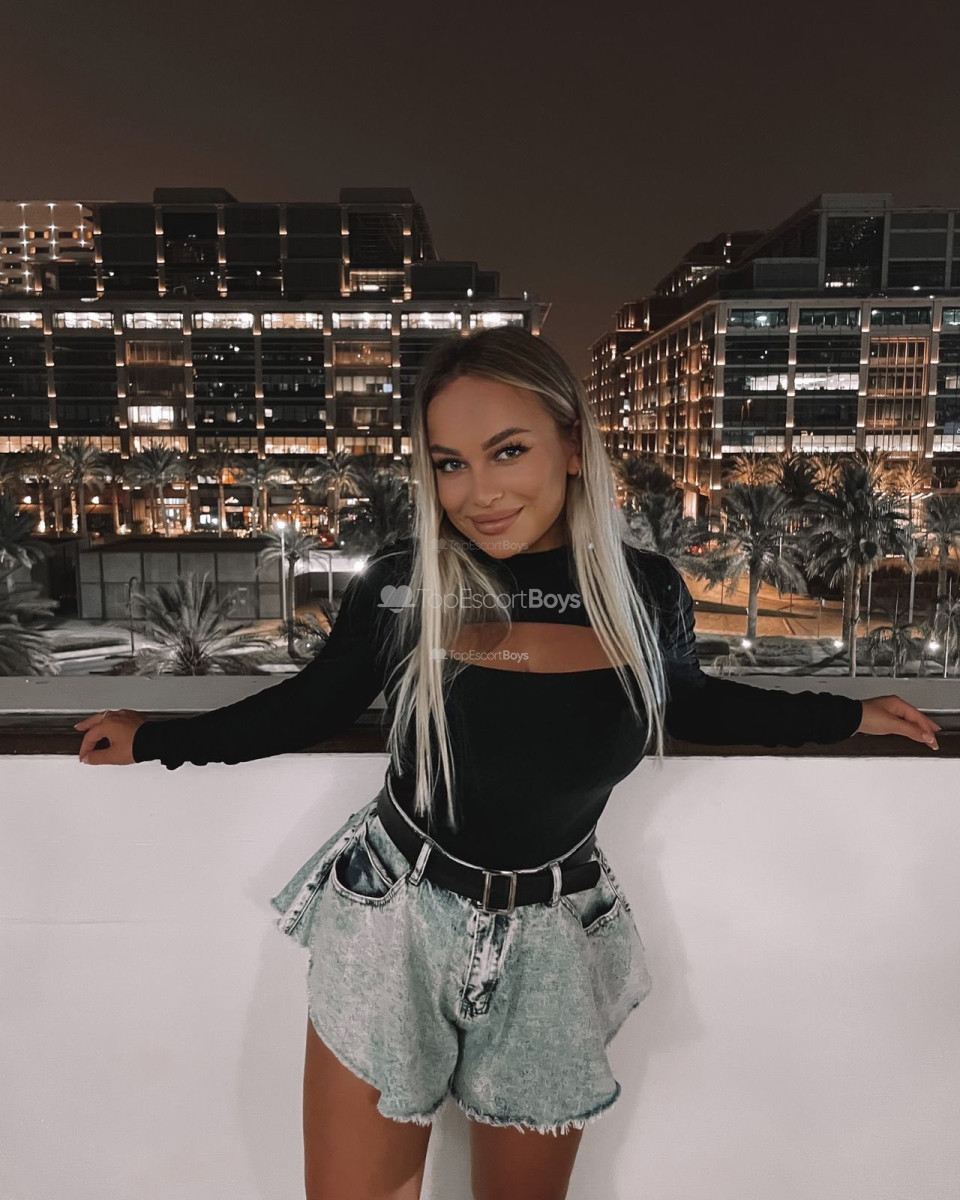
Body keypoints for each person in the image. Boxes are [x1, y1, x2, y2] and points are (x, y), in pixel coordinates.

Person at [75, 327, 940, 1200]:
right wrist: (154, 738)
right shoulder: (403, 585)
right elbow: (312, 705)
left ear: (573, 446)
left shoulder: (642, 591)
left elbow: (693, 703)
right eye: (449, 463)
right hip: (392, 919)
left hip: (552, 937)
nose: (478, 493)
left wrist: (849, 714)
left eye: (508, 451)